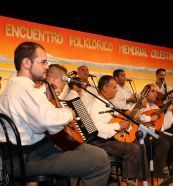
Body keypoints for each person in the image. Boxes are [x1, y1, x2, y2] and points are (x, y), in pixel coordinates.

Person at [0, 42, 110, 186]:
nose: (46, 66)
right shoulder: (25, 89)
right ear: (26, 63)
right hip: (27, 159)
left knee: (98, 154)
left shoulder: (15, 86)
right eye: (43, 62)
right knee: (100, 163)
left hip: (29, 154)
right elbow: (49, 123)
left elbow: (45, 121)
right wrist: (68, 113)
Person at [87, 75, 146, 184]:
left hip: (111, 138)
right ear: (105, 88)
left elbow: (115, 119)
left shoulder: (108, 103)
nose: (116, 90)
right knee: (133, 148)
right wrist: (119, 126)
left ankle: (142, 179)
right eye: (114, 88)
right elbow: (97, 129)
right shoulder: (95, 105)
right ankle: (128, 181)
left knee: (140, 143)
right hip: (100, 142)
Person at [138, 83, 173, 182]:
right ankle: (156, 177)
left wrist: (168, 111)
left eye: (156, 92)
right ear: (145, 92)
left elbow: (164, 126)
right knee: (164, 142)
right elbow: (135, 118)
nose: (156, 94)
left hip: (158, 133)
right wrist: (149, 118)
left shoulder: (156, 107)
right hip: (144, 134)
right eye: (152, 91)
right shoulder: (138, 105)